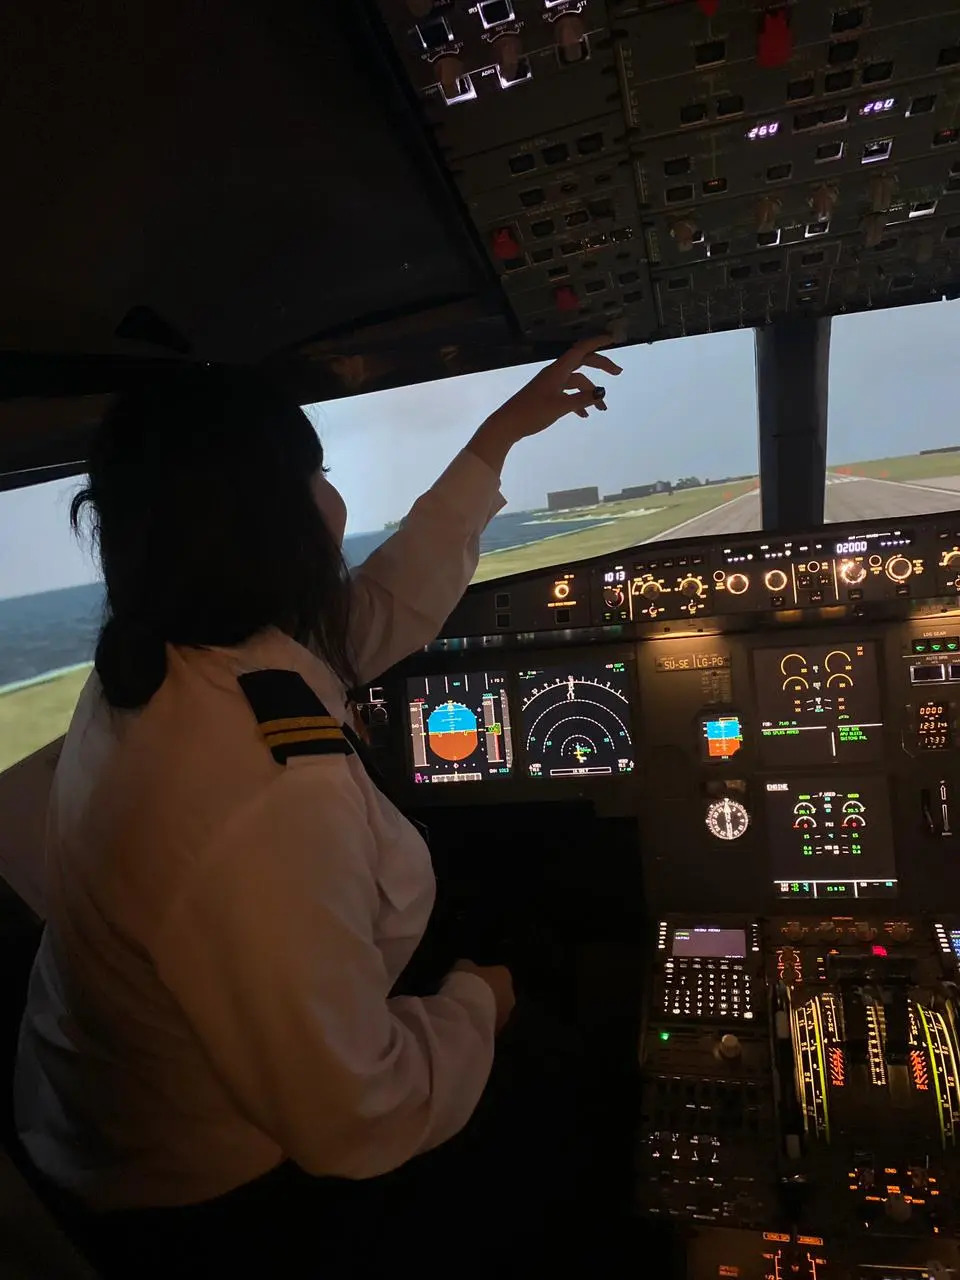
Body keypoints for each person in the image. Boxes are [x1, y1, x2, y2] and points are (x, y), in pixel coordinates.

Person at [13, 338, 621, 1276]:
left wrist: (495, 442)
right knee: (570, 1079)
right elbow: (356, 1116)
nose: (335, 499)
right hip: (199, 1192)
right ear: (273, 518)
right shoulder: (254, 793)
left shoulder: (171, 654)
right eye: (320, 475)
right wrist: (480, 1003)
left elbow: (370, 619)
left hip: (107, 1102)